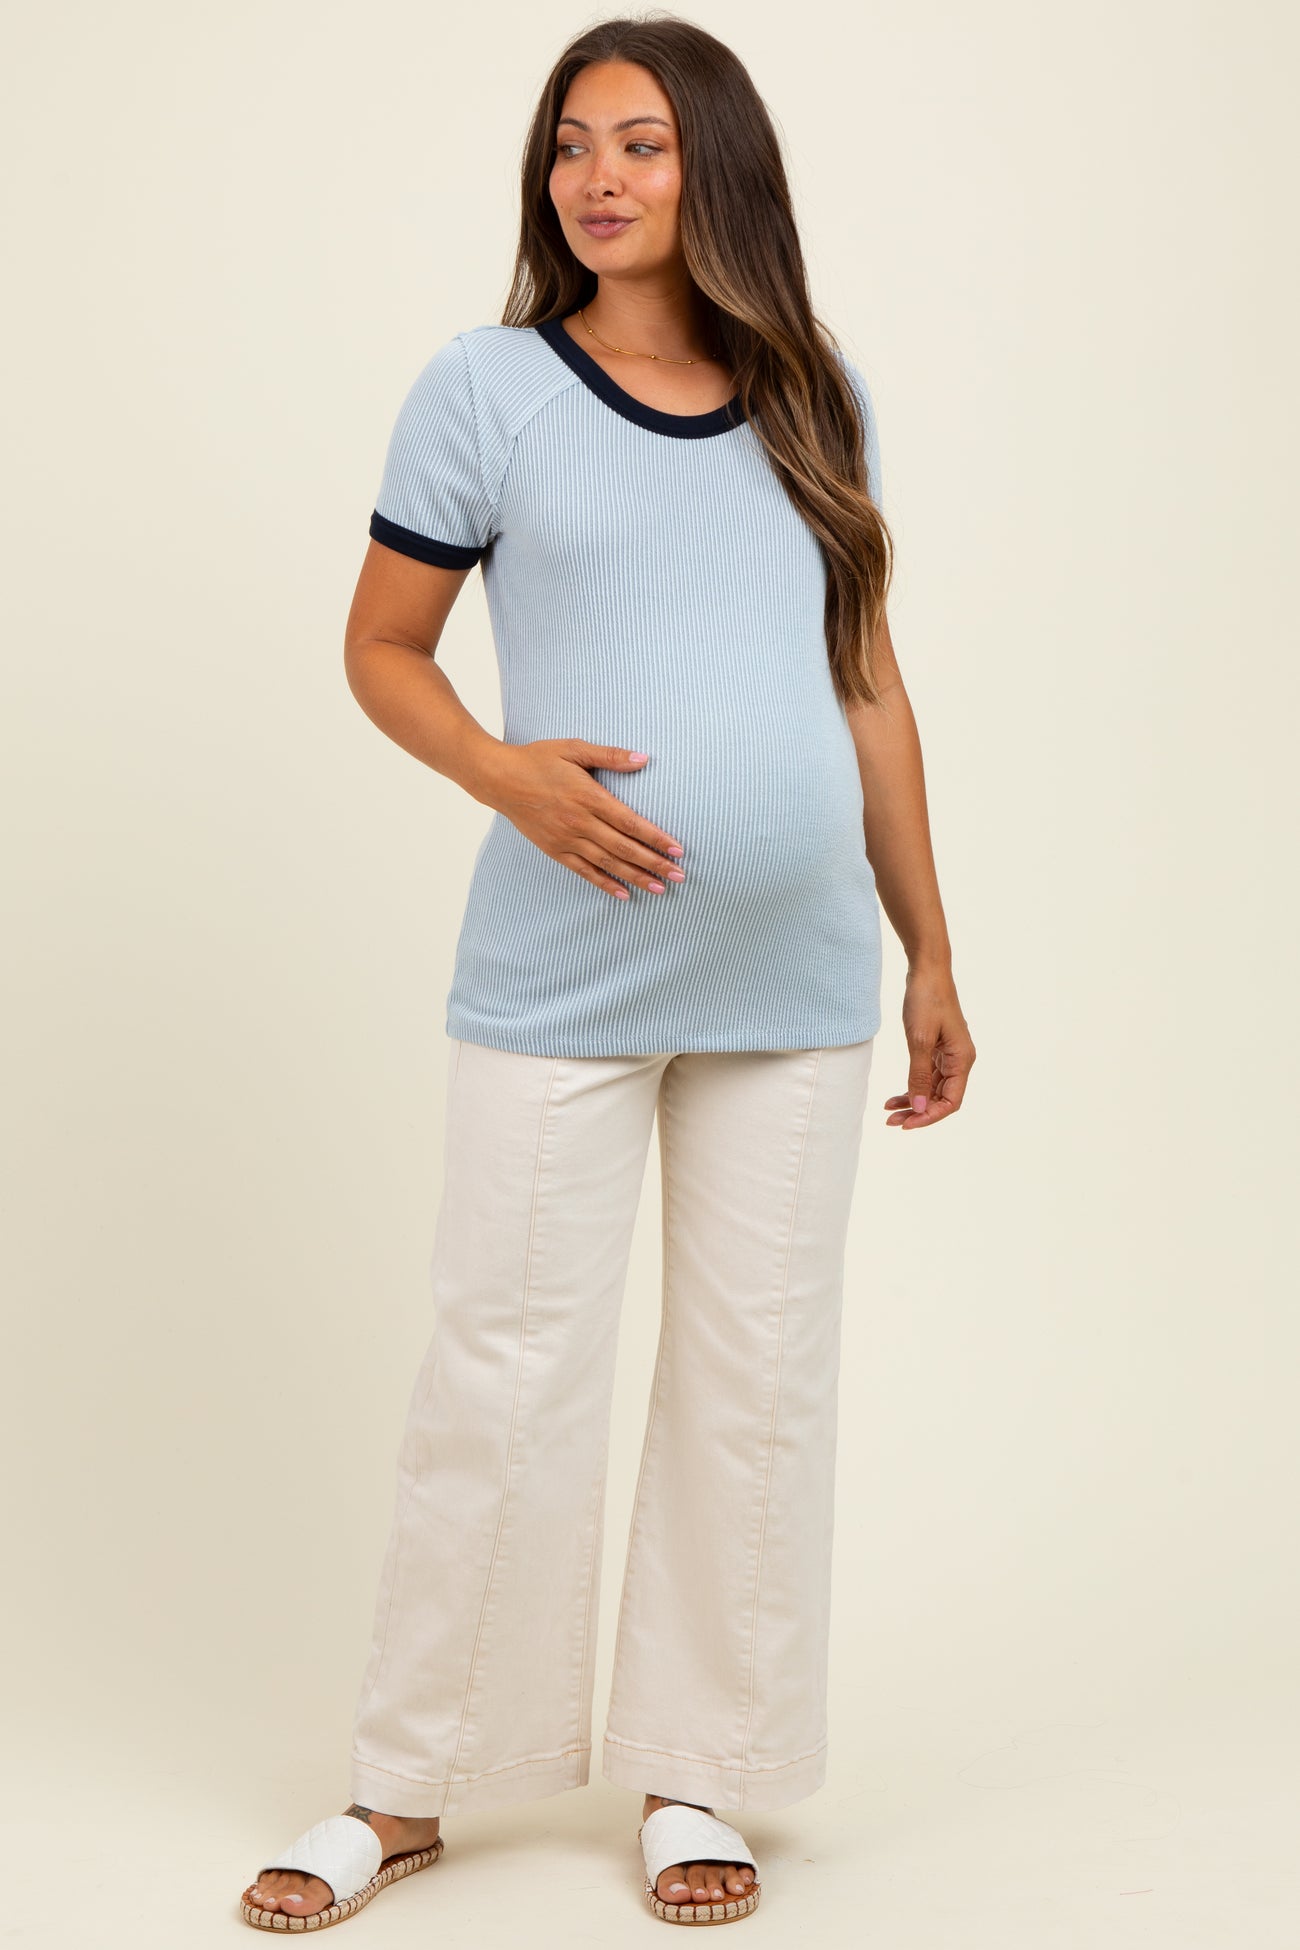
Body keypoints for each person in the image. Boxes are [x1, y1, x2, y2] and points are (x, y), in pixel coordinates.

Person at [239, 13, 975, 1934]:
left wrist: (930, 944)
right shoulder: (484, 387)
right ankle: (406, 1782)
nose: (597, 177)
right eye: (572, 144)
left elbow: (868, 682)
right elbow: (383, 644)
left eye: (640, 141)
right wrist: (508, 775)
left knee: (756, 1379)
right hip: (561, 968)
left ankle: (695, 1767)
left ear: (715, 162)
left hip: (795, 980)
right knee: (501, 1365)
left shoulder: (817, 395)